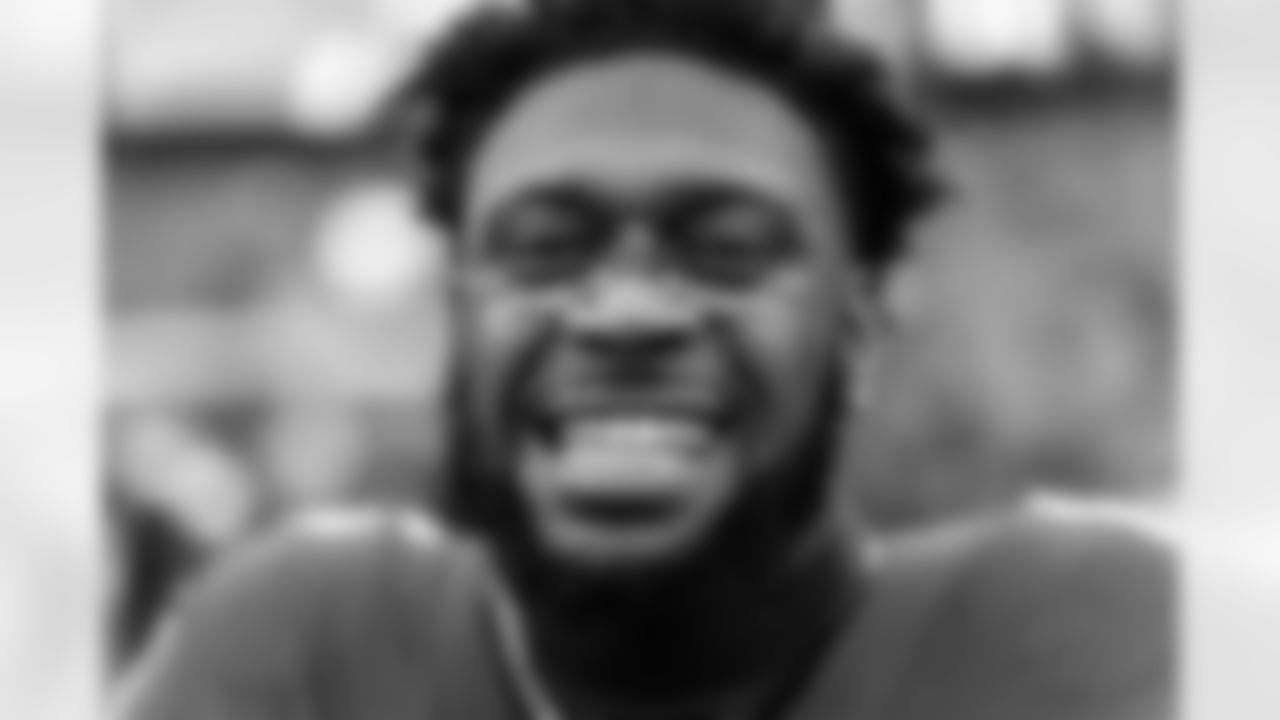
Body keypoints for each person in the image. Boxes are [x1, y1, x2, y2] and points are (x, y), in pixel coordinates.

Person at [115, 1, 1174, 718]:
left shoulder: (1088, 640)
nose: (626, 313)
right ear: (460, 319)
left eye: (726, 248)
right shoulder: (306, 654)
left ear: (855, 328)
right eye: (546, 248)